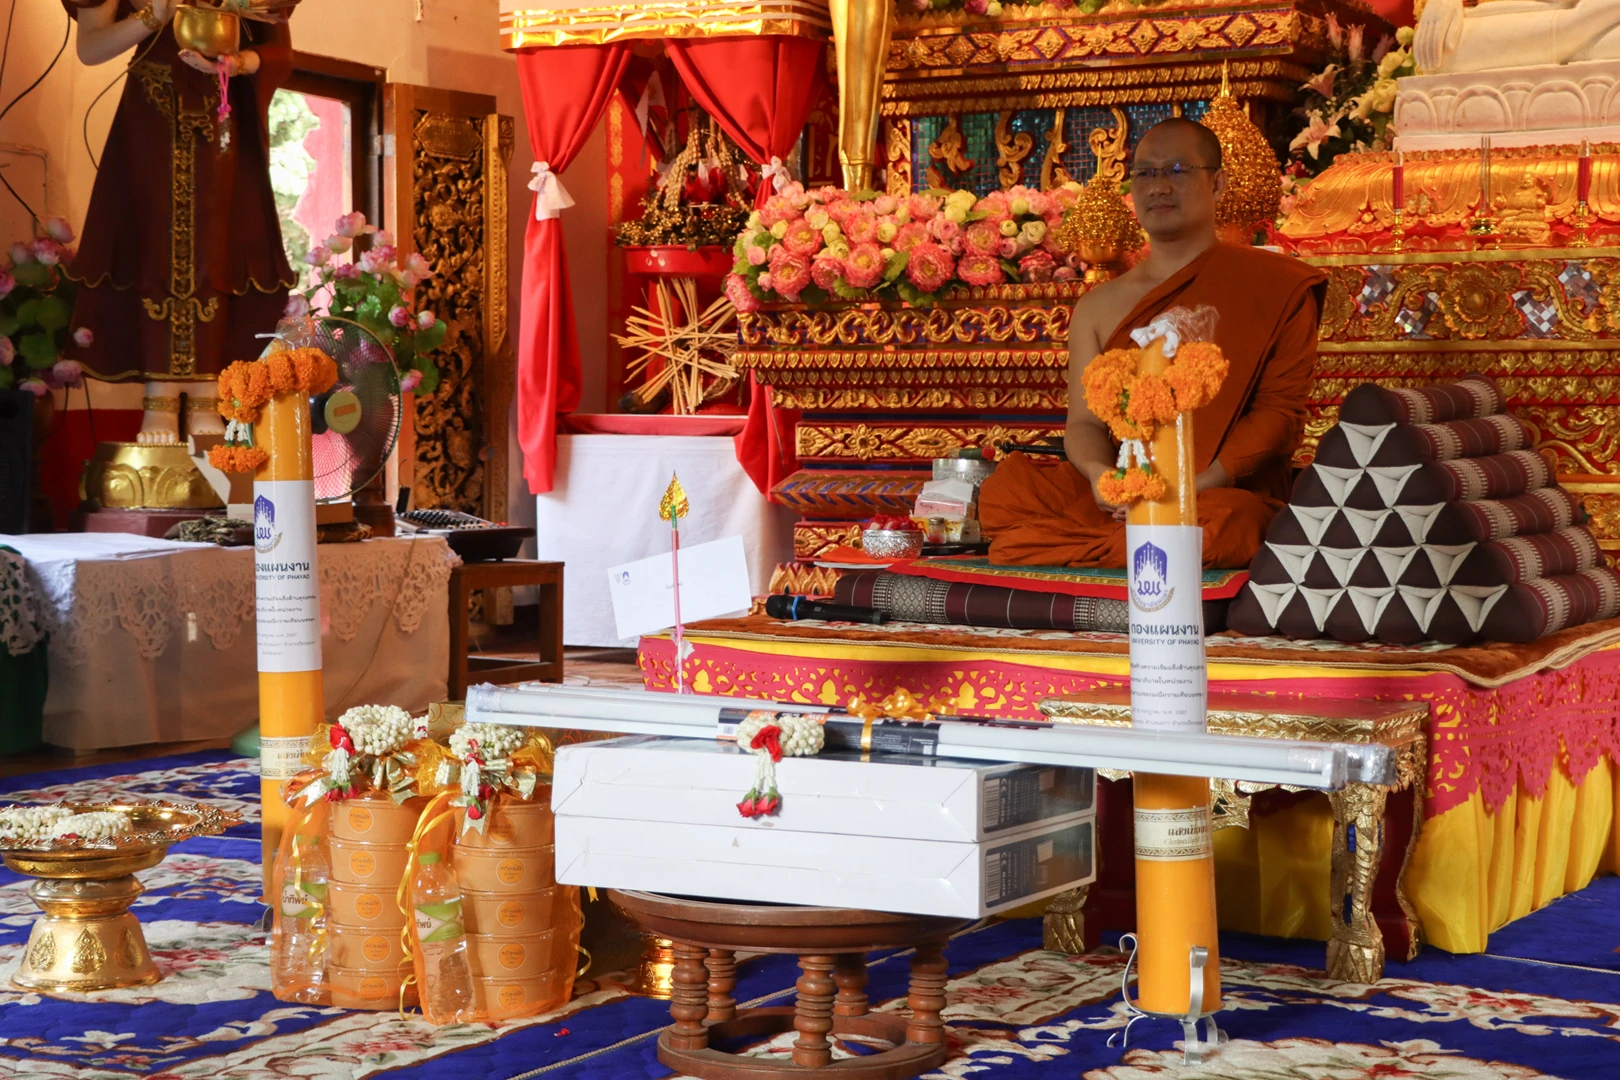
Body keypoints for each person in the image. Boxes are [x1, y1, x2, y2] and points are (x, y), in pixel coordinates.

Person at [979, 117, 1327, 568]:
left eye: (1178, 170)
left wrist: (1194, 485)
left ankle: (1119, 546)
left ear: (1217, 183)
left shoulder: (1273, 285)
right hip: (1121, 495)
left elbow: (1278, 415)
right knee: (1007, 494)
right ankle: (1133, 542)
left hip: (1217, 494)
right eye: (1145, 173)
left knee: (1230, 524)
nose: (1158, 186)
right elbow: (1084, 424)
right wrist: (1101, 477)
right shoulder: (1099, 304)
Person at [62, 0, 296, 444]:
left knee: (216, 241)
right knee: (153, 242)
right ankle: (160, 400)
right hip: (151, 114)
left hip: (222, 114)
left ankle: (208, 396)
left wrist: (240, 62)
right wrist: (156, 15)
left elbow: (280, 53)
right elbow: (90, 49)